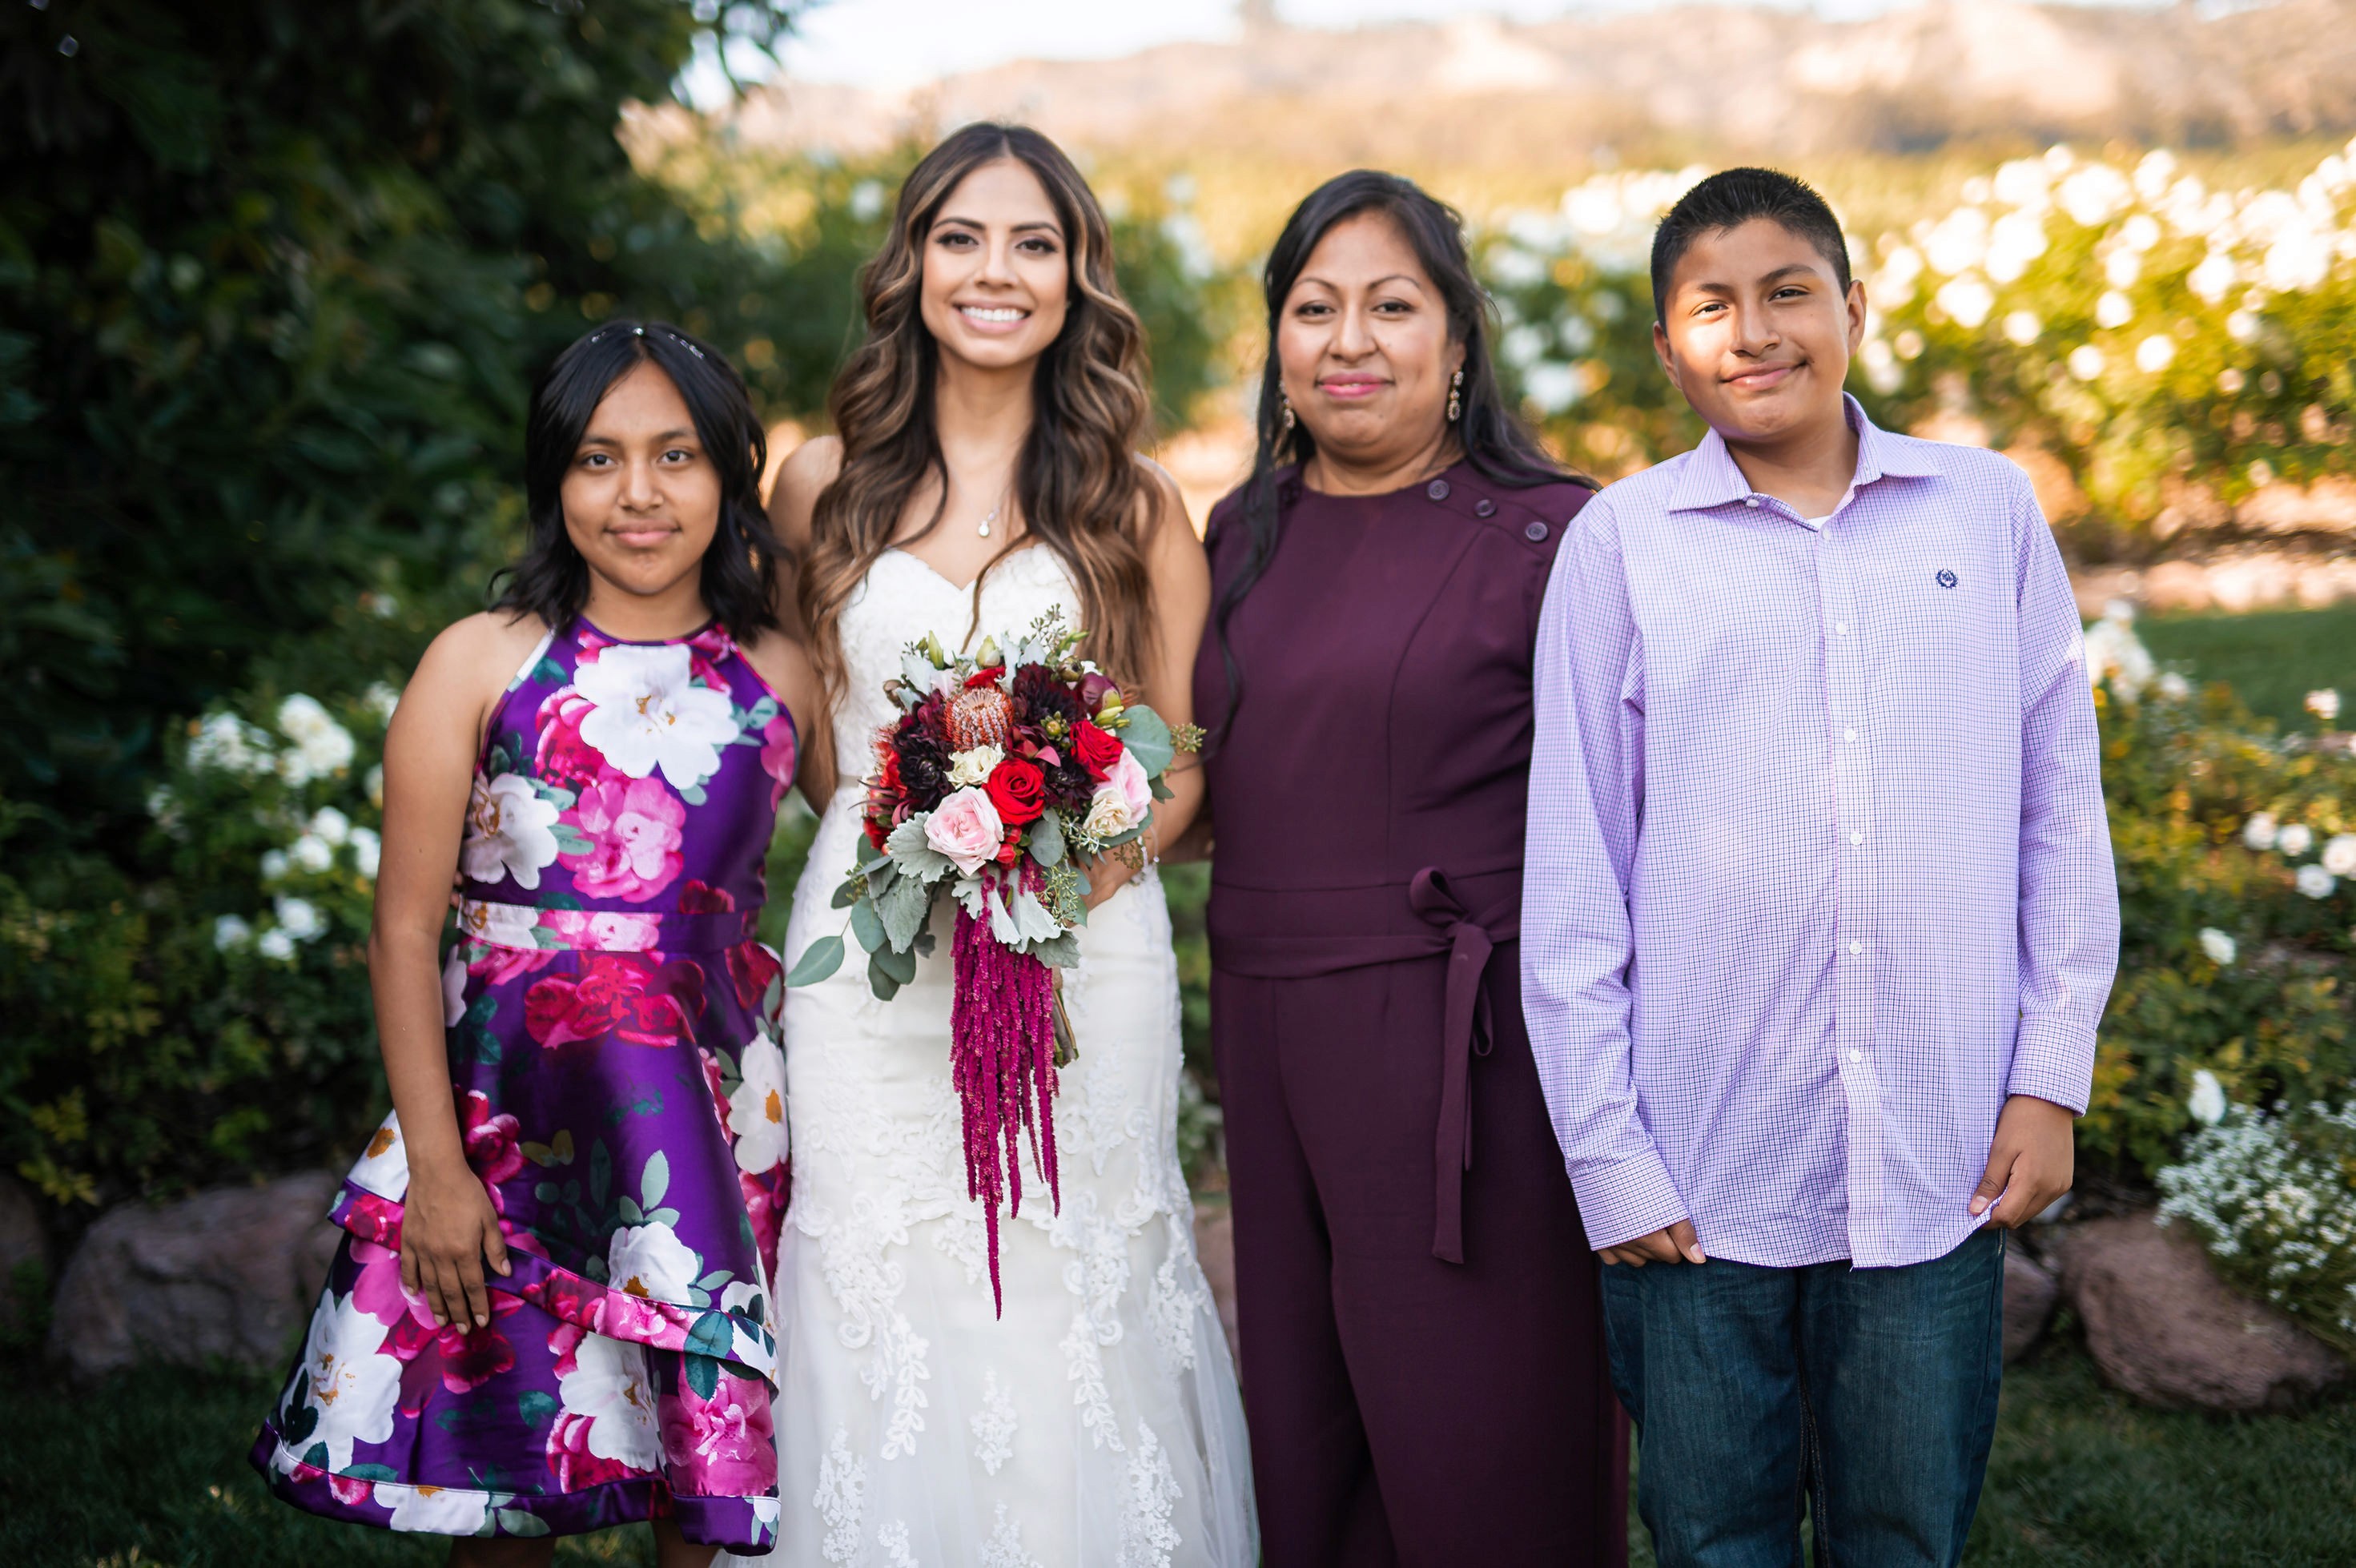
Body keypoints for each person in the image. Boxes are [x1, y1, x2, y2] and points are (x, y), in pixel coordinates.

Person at [1523, 167, 2121, 1567]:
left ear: (1853, 305)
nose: (1753, 330)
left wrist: (2049, 1074)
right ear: (1666, 346)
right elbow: (1574, 868)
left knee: (1903, 1530)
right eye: (1709, 305)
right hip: (1697, 1169)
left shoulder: (1982, 512)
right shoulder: (1621, 547)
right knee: (1712, 1529)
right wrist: (1606, 1152)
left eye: (1787, 291)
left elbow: (2059, 810)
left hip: (1935, 1154)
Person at [715, 124, 1256, 1567]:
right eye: (962, 237)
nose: (996, 272)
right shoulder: (816, 484)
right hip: (868, 963)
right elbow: (815, 745)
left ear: (1079, 278)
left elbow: (1180, 758)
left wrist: (1054, 875)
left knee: (1079, 1279)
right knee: (881, 1271)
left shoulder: (1132, 506)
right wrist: (915, 851)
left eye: (1034, 243)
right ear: (911, 264)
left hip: (1088, 949)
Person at [252, 320, 821, 1563]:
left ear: (728, 473)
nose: (638, 494)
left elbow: (871, 860)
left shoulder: (782, 674)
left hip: (705, 1128)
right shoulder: (478, 662)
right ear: (551, 478)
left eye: (676, 456)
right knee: (510, 1483)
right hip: (505, 1123)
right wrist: (440, 1172)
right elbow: (401, 931)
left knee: (696, 1493)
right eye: (598, 458)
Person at [1189, 170, 1626, 1566]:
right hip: (1268, 1025)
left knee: (1478, 1413)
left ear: (1456, 339)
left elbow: (1637, 814)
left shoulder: (1557, 531)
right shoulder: (1238, 533)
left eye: (1391, 304)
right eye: (1313, 309)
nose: (1349, 341)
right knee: (1308, 1414)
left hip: (1467, 1037)